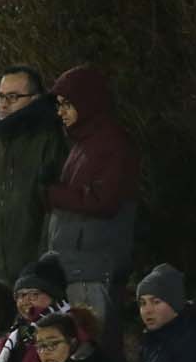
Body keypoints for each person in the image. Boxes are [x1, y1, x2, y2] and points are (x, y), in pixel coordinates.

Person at [45, 65, 139, 322]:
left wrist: (52, 194)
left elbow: (104, 200)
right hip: (75, 267)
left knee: (96, 344)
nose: (60, 111)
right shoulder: (82, 143)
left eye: (67, 104)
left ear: (86, 102)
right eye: (59, 104)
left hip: (95, 268)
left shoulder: (113, 143)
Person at [0, 64, 66, 287]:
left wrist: (43, 271)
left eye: (13, 97)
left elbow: (53, 214)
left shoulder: (51, 140)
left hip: (37, 278)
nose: (3, 104)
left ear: (35, 99)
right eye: (0, 96)